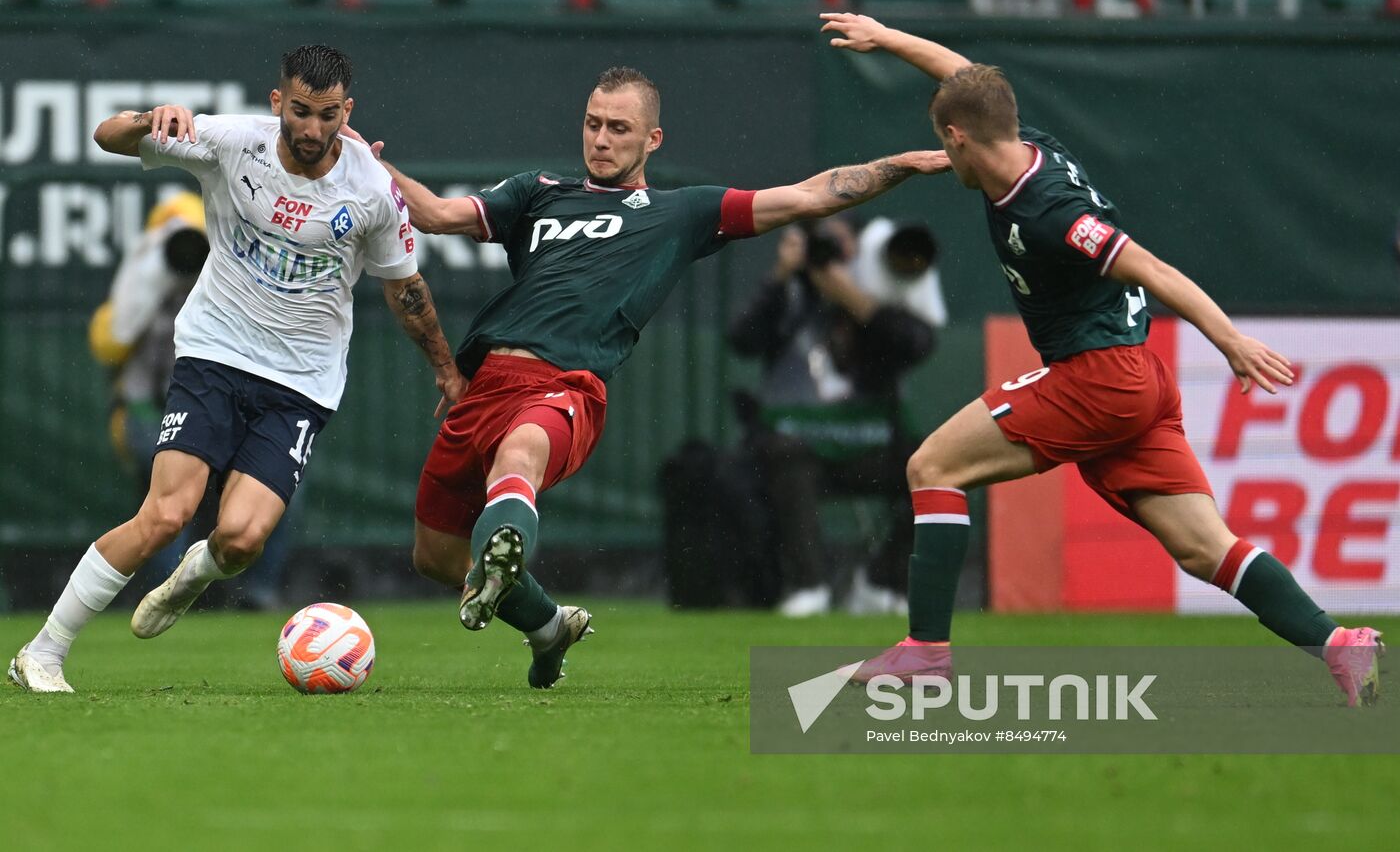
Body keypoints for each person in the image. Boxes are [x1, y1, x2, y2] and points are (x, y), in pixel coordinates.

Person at [819, 12, 1383, 706]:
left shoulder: (1050, 211)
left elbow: (1150, 267)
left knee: (932, 467)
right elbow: (962, 79)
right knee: (1206, 548)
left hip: (1100, 375)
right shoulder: (1030, 144)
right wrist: (887, 37)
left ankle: (925, 653)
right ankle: (1338, 646)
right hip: (1138, 379)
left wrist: (1229, 340)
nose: (944, 159)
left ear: (958, 138)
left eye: (946, 145)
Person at [344, 66, 950, 689]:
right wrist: (369, 164)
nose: (601, 139)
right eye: (592, 124)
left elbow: (809, 196)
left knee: (519, 456)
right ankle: (548, 625)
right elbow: (439, 215)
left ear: (652, 141)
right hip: (484, 385)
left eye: (619, 128)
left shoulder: (681, 212)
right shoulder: (538, 192)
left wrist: (899, 162)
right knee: (436, 558)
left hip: (566, 385)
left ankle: (507, 560)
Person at [8, 45, 466, 694]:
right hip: (215, 356)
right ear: (278, 102)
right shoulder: (231, 142)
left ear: (347, 112)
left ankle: (198, 572)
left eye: (328, 115)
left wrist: (446, 370)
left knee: (242, 540)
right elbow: (105, 135)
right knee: (166, 513)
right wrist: (147, 119)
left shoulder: (371, 188)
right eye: (300, 111)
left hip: (301, 384)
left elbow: (406, 289)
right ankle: (43, 652)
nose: (312, 129)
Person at [89, 192, 296, 610]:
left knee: (284, 476)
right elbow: (111, 342)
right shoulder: (147, 279)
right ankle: (171, 594)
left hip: (227, 407)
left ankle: (257, 592)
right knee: (168, 497)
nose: (189, 254)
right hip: (154, 409)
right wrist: (154, 271)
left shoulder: (241, 279)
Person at [727, 216, 940, 617]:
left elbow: (917, 344)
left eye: (836, 242)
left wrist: (853, 297)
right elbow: (742, 339)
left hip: (871, 444)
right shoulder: (789, 296)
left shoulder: (877, 289)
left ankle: (880, 582)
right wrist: (781, 276)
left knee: (937, 467)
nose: (827, 254)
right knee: (783, 455)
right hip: (802, 448)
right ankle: (809, 584)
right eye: (819, 244)